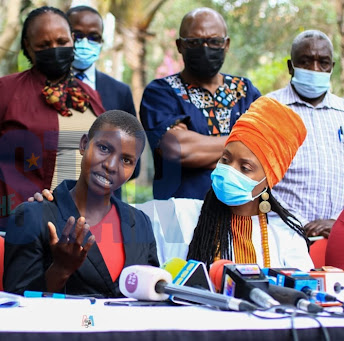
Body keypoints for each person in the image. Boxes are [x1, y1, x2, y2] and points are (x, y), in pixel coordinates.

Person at [0, 6, 105, 230]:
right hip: (18, 226)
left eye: (61, 41)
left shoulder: (89, 96)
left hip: (78, 226)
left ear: (72, 39)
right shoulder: (3, 92)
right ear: (28, 46)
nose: (54, 49)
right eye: (44, 45)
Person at [3, 110, 158, 297]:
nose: (110, 165)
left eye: (126, 160)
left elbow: (151, 294)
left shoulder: (141, 223)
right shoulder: (33, 215)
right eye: (104, 148)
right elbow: (15, 304)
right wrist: (60, 270)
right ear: (84, 144)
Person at [140, 7, 260, 201]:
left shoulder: (245, 90)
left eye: (214, 41)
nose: (205, 48)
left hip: (239, 214)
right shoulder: (161, 92)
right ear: (180, 45)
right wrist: (245, 142)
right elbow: (178, 150)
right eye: (195, 42)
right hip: (181, 215)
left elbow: (264, 151)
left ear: (226, 44)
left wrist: (199, 145)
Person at [187, 97, 313, 271]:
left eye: (245, 168)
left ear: (268, 179)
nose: (230, 171)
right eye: (225, 159)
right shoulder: (185, 216)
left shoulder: (286, 234)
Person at [267, 30, 344, 238]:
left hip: (336, 237)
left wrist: (337, 224)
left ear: (332, 68)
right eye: (306, 61)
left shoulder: (342, 112)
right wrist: (293, 223)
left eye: (323, 62)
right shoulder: (269, 109)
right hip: (281, 235)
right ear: (291, 67)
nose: (315, 69)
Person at [66, 6, 139, 198]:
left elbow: (133, 154)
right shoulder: (48, 87)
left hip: (105, 201)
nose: (84, 43)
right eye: (77, 35)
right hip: (54, 198)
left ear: (102, 42)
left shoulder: (119, 92)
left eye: (93, 37)